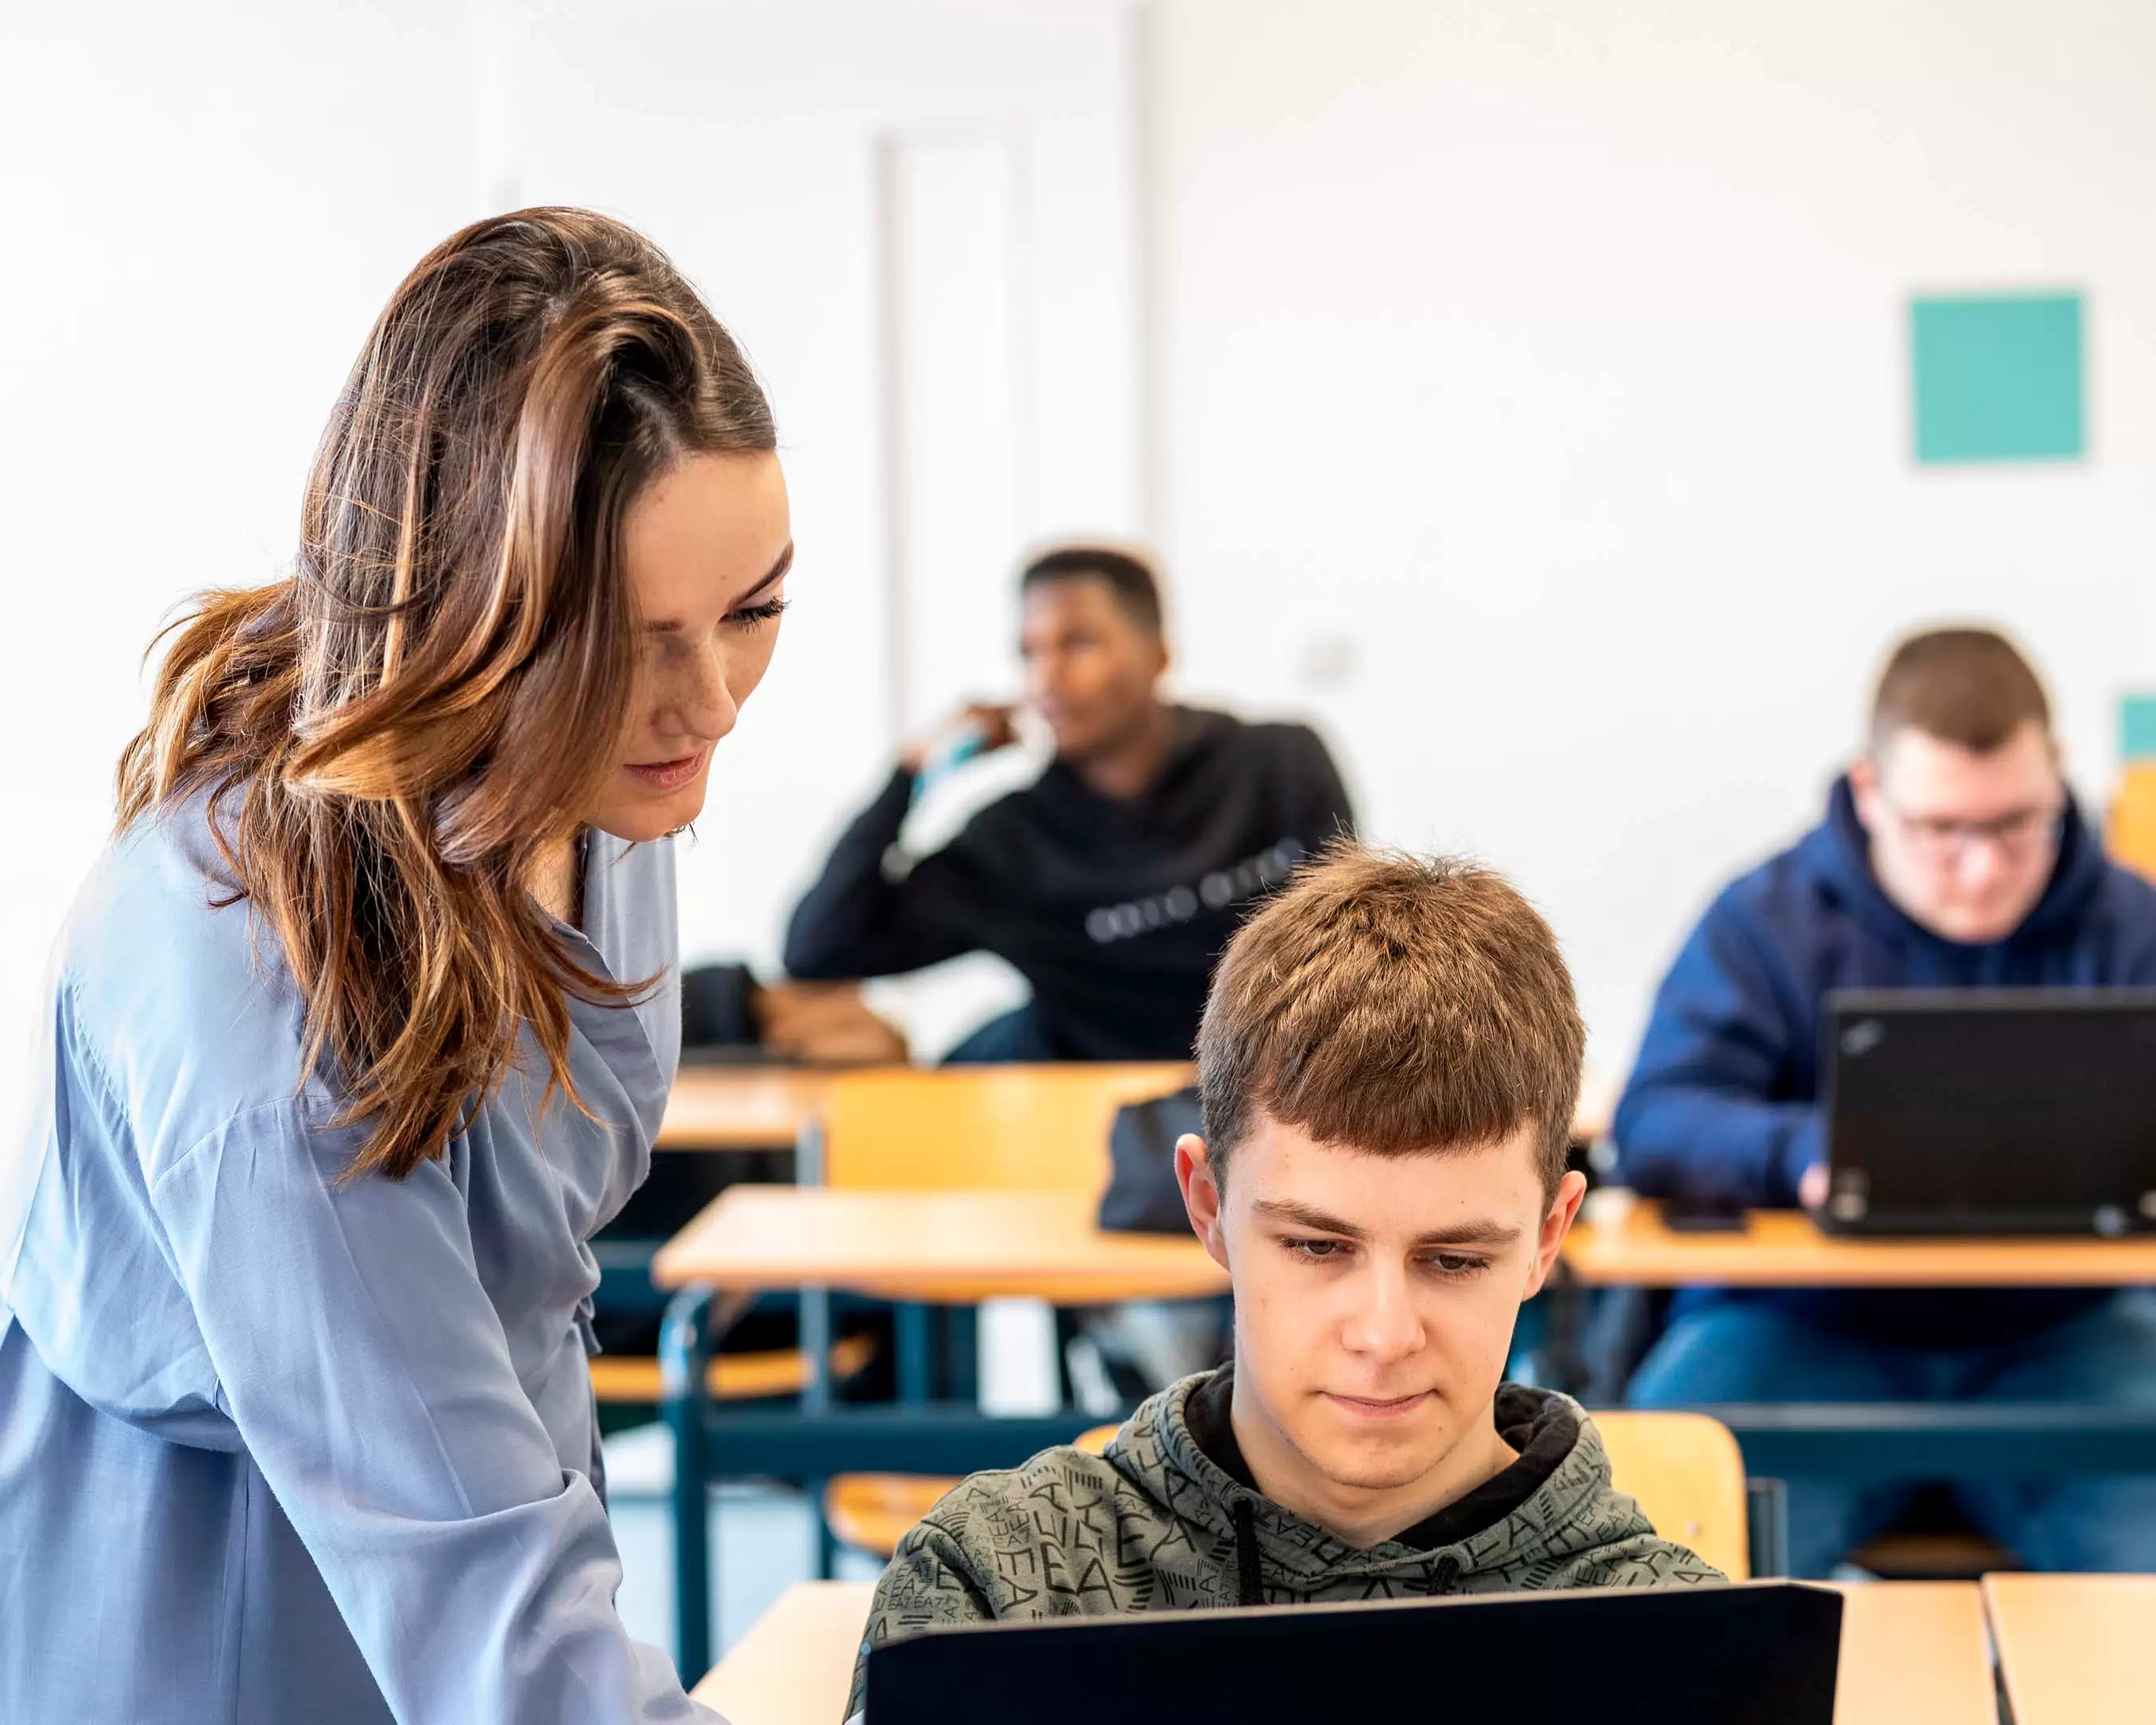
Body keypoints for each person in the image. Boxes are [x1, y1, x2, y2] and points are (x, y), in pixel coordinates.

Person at [0, 209, 789, 1721]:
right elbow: (479, 1592)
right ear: (466, 619)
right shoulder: (263, 1011)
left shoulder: (594, 774)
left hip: (479, 1525)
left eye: (752, 614)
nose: (712, 702)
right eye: (629, 640)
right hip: (207, 1607)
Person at [847, 847, 1722, 1718]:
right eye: (1315, 1246)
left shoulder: (1682, 1646)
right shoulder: (994, 1592)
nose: (1384, 1336)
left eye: (1454, 1261)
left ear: (1547, 1237)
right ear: (1207, 1206)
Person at [1616, 625, 2156, 1576]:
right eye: (1943, 831)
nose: (1985, 866)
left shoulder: (2131, 921)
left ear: (2060, 772)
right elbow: (1656, 1119)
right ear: (1870, 794)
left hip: (2068, 1338)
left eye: (2017, 823)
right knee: (1663, 1536)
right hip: (1798, 1331)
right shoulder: (1767, 920)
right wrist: (1806, 1156)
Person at [783, 545, 1354, 1061]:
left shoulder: (1279, 765)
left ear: (1158, 654)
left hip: (1265, 1089)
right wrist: (910, 772)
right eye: (1030, 653)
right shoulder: (1013, 841)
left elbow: (1342, 947)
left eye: (1077, 643)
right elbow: (819, 948)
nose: (1045, 679)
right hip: (1081, 1111)